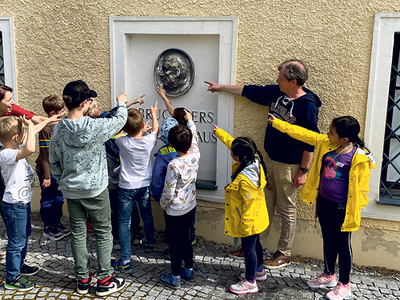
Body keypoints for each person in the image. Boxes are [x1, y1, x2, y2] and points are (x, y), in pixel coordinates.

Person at [205, 59, 321, 269]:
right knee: (263, 205)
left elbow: (311, 141)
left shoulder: (308, 106)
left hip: (290, 165)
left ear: (294, 81)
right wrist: (221, 87)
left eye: (281, 78)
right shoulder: (277, 93)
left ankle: (283, 253)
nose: (277, 81)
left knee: (286, 209)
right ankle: (253, 247)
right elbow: (250, 91)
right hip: (268, 161)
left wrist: (303, 170)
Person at [268, 114, 376, 300]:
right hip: (325, 202)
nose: (327, 134)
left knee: (343, 244)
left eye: (331, 132)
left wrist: (355, 209)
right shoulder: (328, 144)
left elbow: (362, 189)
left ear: (345, 139)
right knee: (328, 239)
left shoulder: (360, 157)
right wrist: (278, 124)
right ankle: (328, 276)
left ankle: (345, 284)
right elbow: (305, 135)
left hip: (344, 208)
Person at [49, 80, 127, 297]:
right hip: (95, 189)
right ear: (84, 103)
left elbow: (53, 160)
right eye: (90, 99)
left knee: (78, 233)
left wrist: (62, 180)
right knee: (103, 232)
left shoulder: (59, 130)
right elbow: (120, 120)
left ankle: (82, 279)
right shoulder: (95, 127)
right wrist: (121, 103)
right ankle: (105, 280)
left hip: (72, 191)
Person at [0, 113, 60, 291]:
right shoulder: (6, 154)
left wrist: (48, 121)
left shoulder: (14, 146)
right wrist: (31, 128)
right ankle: (12, 277)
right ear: (16, 138)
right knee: (16, 242)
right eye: (23, 133)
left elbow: (31, 134)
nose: (27, 135)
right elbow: (31, 149)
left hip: (22, 203)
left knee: (24, 235)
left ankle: (19, 265)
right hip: (14, 204)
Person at [212, 124, 269, 295]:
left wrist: (245, 226)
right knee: (256, 244)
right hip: (258, 216)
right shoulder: (253, 157)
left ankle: (250, 281)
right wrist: (219, 133)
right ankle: (259, 270)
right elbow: (233, 143)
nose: (231, 152)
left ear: (238, 158)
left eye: (232, 153)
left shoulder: (245, 180)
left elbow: (249, 204)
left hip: (249, 219)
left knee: (249, 249)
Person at [85, 95, 145, 250]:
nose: (100, 109)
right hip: (124, 181)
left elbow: (114, 111)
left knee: (116, 210)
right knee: (129, 208)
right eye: (97, 107)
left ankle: (119, 238)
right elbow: (116, 113)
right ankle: (135, 234)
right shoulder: (122, 140)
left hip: (111, 181)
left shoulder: (103, 134)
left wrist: (132, 102)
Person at [113, 101, 159, 273]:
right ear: (141, 125)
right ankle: (150, 242)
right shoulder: (148, 141)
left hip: (126, 186)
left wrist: (129, 126)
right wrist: (153, 114)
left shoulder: (122, 142)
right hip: (143, 185)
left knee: (124, 222)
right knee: (146, 214)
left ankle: (125, 259)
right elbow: (155, 130)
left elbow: (116, 131)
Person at [159, 110, 200, 289]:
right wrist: (190, 122)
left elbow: (169, 191)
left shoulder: (173, 165)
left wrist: (163, 204)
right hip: (191, 205)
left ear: (171, 145)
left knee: (175, 243)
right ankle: (189, 269)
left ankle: (175, 276)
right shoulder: (195, 153)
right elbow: (195, 137)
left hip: (175, 210)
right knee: (186, 239)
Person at [0, 84, 51, 225]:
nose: (13, 103)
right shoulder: (8, 152)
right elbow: (30, 149)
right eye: (9, 100)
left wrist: (50, 120)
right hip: (15, 200)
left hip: (21, 199)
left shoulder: (13, 110)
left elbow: (35, 121)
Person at [156, 85, 197, 245]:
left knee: (174, 230)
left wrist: (163, 202)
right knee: (188, 221)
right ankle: (190, 237)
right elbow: (173, 111)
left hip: (174, 203)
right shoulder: (191, 144)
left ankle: (174, 245)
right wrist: (191, 121)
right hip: (190, 196)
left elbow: (168, 187)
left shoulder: (173, 158)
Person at [35, 95, 69, 241]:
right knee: (48, 199)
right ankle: (48, 227)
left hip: (58, 171)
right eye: (62, 110)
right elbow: (44, 155)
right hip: (47, 171)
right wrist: (47, 176)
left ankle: (57, 223)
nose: (65, 112)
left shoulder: (61, 125)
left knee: (59, 199)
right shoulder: (46, 129)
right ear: (51, 114)